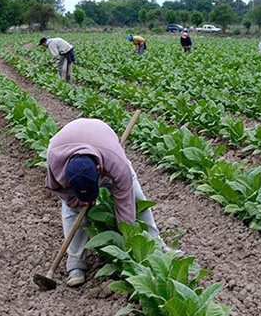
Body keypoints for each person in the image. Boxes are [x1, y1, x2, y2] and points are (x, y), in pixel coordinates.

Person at [46, 118, 171, 287]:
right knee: (71, 211)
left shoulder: (115, 162)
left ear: (99, 170)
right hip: (69, 147)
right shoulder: (55, 159)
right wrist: (73, 199)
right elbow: (56, 188)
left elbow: (124, 202)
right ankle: (75, 263)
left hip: (103, 142)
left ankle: (155, 243)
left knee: (136, 197)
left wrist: (128, 237)